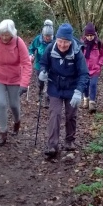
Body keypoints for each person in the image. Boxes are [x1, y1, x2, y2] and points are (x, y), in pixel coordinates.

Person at [39, 23, 89, 157]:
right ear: (57, 39)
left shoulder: (77, 52)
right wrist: (43, 71)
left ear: (70, 41)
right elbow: (43, 62)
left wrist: (79, 92)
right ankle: (52, 145)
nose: (62, 45)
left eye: (66, 42)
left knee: (71, 115)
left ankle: (69, 141)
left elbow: (84, 74)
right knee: (54, 114)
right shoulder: (51, 48)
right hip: (55, 86)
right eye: (60, 41)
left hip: (72, 87)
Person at [0, 19, 32, 146]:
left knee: (14, 105)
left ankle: (17, 121)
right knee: (1, 104)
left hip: (14, 78)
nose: (4, 37)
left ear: (12, 34)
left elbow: (26, 64)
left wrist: (24, 84)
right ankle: (3, 133)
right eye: (2, 35)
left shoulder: (18, 42)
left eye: (7, 35)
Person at [82, 22, 103, 113]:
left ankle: (92, 103)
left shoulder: (98, 43)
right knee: (85, 85)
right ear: (85, 35)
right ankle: (86, 99)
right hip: (84, 69)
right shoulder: (82, 44)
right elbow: (78, 55)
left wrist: (99, 64)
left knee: (93, 84)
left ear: (94, 34)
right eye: (88, 35)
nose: (89, 37)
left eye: (91, 35)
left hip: (95, 69)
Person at [28, 19, 54, 104]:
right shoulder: (38, 40)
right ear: (43, 35)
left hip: (51, 65)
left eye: (49, 36)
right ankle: (39, 96)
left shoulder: (55, 41)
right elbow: (31, 48)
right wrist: (31, 55)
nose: (47, 38)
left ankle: (47, 99)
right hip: (39, 65)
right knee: (41, 82)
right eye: (46, 36)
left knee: (50, 82)